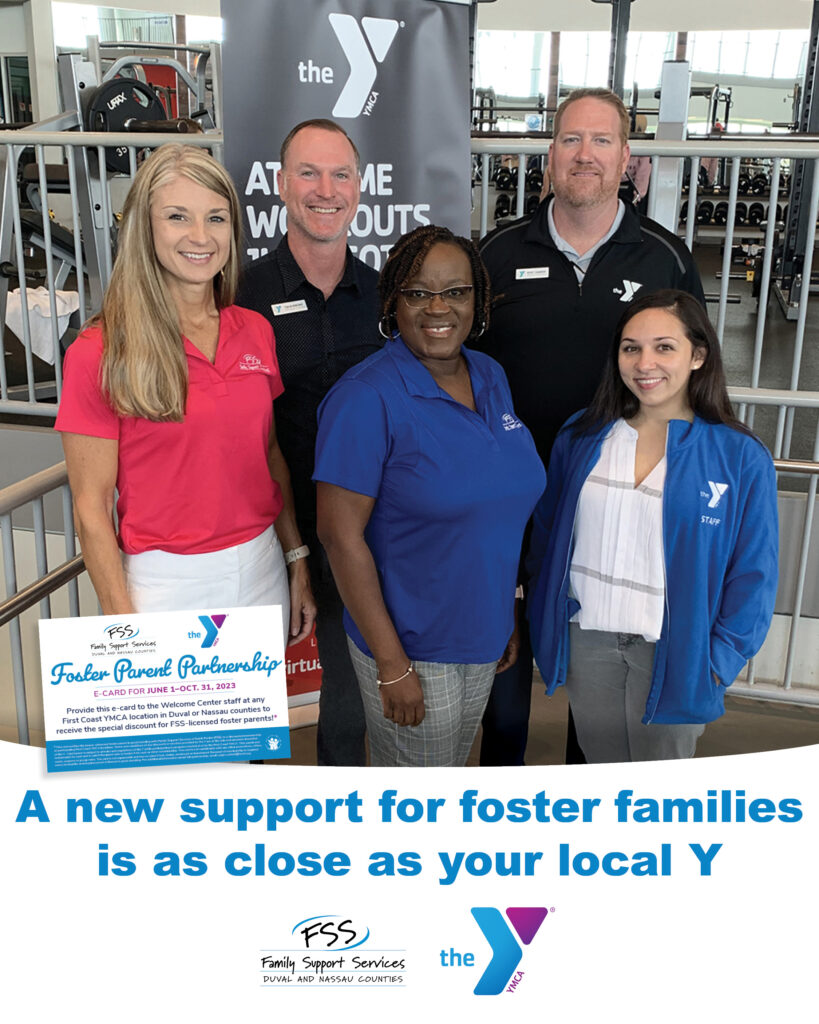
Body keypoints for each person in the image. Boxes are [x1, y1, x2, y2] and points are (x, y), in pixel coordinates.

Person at [474, 87, 706, 766]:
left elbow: (691, 371)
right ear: (548, 155)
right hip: (513, 503)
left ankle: (590, 811)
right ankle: (499, 802)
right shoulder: (496, 252)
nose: (585, 155)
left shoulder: (661, 259)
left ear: (626, 159)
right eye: (571, 139)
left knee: (599, 682)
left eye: (601, 141)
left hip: (617, 503)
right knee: (505, 681)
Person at [56, 144, 315, 650]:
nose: (200, 237)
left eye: (216, 218)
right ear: (144, 228)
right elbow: (91, 507)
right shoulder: (100, 350)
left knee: (252, 732)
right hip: (164, 585)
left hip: (262, 566)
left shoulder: (255, 330)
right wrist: (121, 625)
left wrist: (295, 557)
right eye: (178, 217)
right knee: (176, 734)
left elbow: (268, 456)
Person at [313, 225, 546, 767]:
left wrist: (504, 609)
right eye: (418, 292)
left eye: (456, 292)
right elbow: (339, 536)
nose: (438, 308)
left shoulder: (490, 375)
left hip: (482, 634)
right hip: (414, 647)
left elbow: (498, 507)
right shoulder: (364, 399)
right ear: (393, 300)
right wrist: (392, 664)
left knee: (450, 777)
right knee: (414, 808)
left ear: (478, 299)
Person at [527, 289, 778, 762]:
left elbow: (754, 575)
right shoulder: (581, 436)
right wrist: (547, 619)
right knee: (603, 777)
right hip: (590, 641)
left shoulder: (739, 456)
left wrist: (719, 662)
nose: (645, 363)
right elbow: (547, 537)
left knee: (661, 797)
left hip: (676, 651)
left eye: (664, 347)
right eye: (631, 348)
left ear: (698, 355)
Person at [237, 119, 381, 767]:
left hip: (356, 532)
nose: (326, 190)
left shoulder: (385, 300)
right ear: (279, 184)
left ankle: (334, 821)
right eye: (309, 173)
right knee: (243, 705)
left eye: (340, 174)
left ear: (360, 186)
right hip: (259, 533)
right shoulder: (239, 295)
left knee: (346, 702)